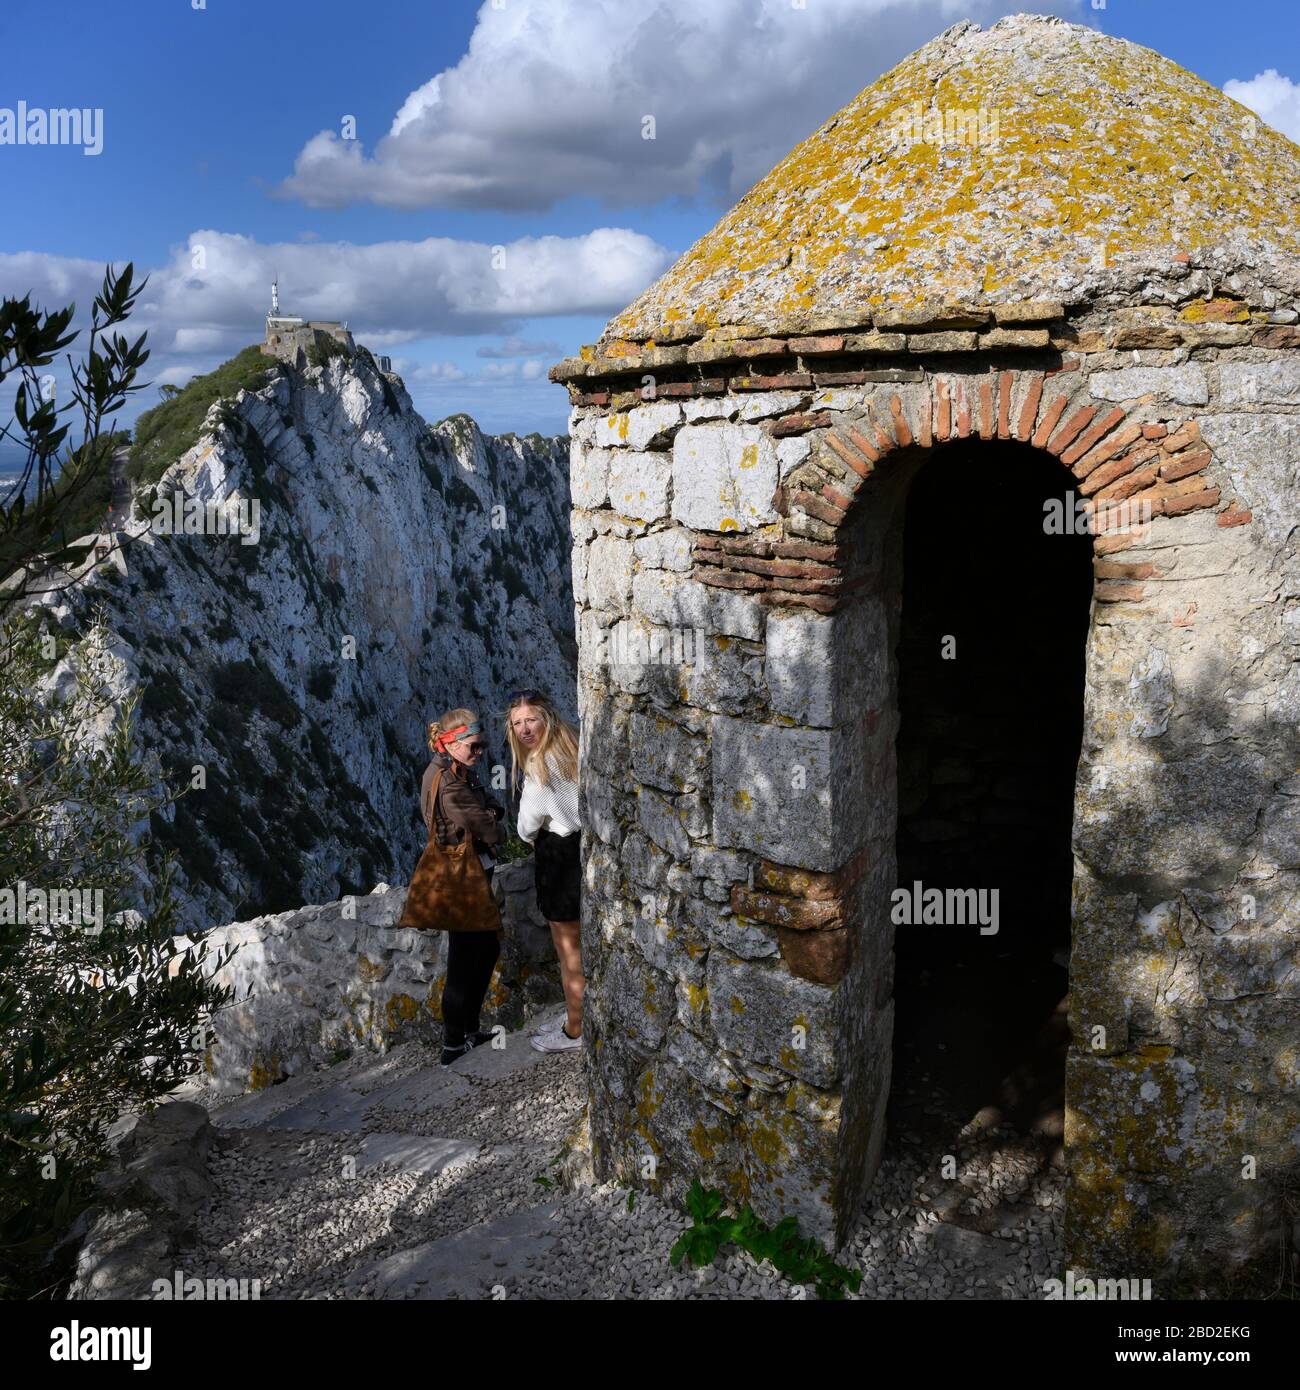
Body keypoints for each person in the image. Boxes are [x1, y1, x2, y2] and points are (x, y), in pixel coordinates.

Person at [419, 708, 507, 1067]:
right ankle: (453, 1043)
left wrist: (491, 816)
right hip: (461, 878)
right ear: (451, 742)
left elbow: (493, 808)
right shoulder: (448, 781)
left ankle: (468, 1030)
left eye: (483, 745)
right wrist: (494, 825)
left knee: (483, 950)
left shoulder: (458, 772)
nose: (480, 752)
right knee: (463, 957)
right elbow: (489, 826)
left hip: (472, 872)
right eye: (474, 745)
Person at [506, 690, 584, 1053]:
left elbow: (525, 828)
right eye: (517, 723)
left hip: (557, 859)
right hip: (583, 850)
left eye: (530, 720)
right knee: (580, 944)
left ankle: (575, 1029)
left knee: (567, 948)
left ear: (546, 719)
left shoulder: (539, 769)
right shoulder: (574, 748)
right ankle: (577, 1016)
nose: (524, 729)